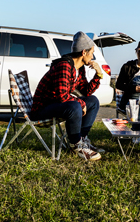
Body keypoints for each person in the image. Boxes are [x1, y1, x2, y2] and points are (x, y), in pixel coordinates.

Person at [30, 31, 106, 161]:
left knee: (93, 101)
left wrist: (98, 75)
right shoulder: (64, 65)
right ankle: (76, 145)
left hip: (55, 104)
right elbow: (62, 96)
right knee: (75, 105)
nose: (92, 56)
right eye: (92, 53)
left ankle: (82, 140)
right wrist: (81, 104)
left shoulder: (79, 68)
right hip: (42, 109)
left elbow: (86, 91)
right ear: (84, 52)